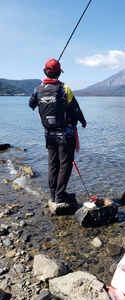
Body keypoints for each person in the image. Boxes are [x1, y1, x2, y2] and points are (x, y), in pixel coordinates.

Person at [29, 58, 87, 204]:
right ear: (59, 74)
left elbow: (31, 104)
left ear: (44, 71)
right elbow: (76, 109)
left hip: (48, 134)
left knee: (52, 163)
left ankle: (53, 194)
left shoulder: (37, 90)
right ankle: (60, 194)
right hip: (65, 135)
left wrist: (43, 89)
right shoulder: (64, 89)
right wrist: (83, 122)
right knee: (65, 164)